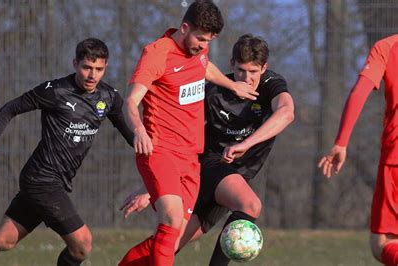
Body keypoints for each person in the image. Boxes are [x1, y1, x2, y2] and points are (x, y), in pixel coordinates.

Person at [121, 34, 294, 265]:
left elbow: (286, 112)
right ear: (232, 65)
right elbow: (179, 133)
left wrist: (245, 144)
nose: (247, 77)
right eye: (241, 70)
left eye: (254, 71)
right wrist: (151, 186)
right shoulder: (214, 92)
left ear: (264, 68)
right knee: (250, 205)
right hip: (209, 166)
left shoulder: (270, 85)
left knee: (168, 245)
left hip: (233, 176)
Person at [0, 38, 133, 266]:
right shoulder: (56, 91)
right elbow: (10, 108)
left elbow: (133, 137)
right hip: (42, 180)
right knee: (82, 244)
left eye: (99, 69)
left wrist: (157, 149)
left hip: (52, 183)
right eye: (87, 68)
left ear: (105, 67)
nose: (92, 75)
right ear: (75, 63)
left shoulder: (108, 97)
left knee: (3, 239)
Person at [318, 34, 398, 265]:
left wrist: (341, 142)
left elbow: (360, 92)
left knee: (383, 244)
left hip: (395, 160)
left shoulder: (387, 47)